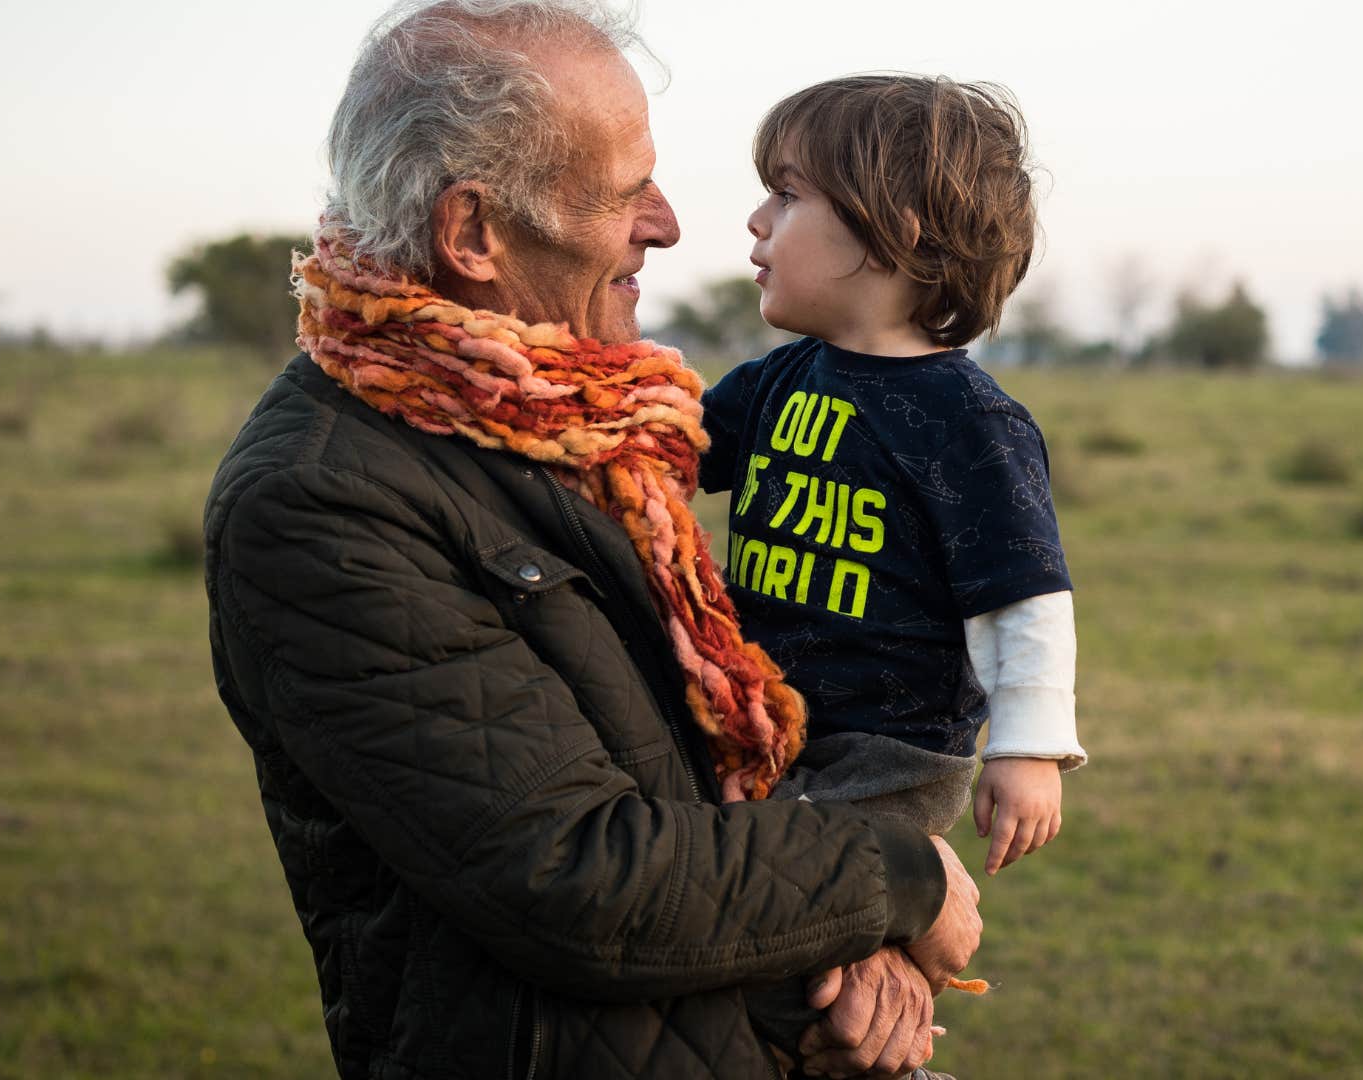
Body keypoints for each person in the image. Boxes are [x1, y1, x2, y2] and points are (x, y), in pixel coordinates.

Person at [202, 3, 980, 1077]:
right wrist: (899, 878)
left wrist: (848, 955)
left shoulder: (574, 420)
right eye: (624, 192)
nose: (666, 224)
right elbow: (575, 873)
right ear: (473, 234)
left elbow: (698, 781)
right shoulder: (318, 501)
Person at [700, 75, 1085, 876]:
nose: (757, 219)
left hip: (886, 758)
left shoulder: (970, 421)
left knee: (778, 892)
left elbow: (1022, 598)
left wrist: (1028, 748)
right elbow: (661, 454)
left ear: (892, 231)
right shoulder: (777, 379)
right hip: (765, 720)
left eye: (787, 195)